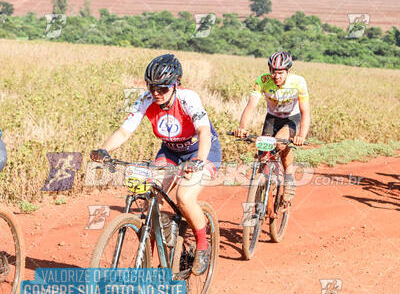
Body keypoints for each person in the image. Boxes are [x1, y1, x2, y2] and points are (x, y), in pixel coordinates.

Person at [90, 54, 221, 276]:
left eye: (163, 88)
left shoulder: (188, 98)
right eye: (152, 88)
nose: (157, 93)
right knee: (152, 197)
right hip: (170, 151)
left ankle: (202, 245)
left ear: (175, 84)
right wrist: (104, 150)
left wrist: (198, 160)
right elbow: (124, 131)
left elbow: (204, 131)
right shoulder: (146, 100)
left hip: (201, 151)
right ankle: (148, 261)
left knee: (184, 198)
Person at [234, 51, 310, 208]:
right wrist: (242, 128)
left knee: (280, 144)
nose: (277, 76)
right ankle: (266, 186)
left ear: (288, 71)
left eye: (281, 72)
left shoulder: (298, 82)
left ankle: (289, 177)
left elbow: (305, 112)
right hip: (272, 118)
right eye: (273, 71)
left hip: (291, 118)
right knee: (263, 154)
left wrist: (301, 136)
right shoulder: (262, 81)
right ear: (269, 70)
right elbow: (251, 106)